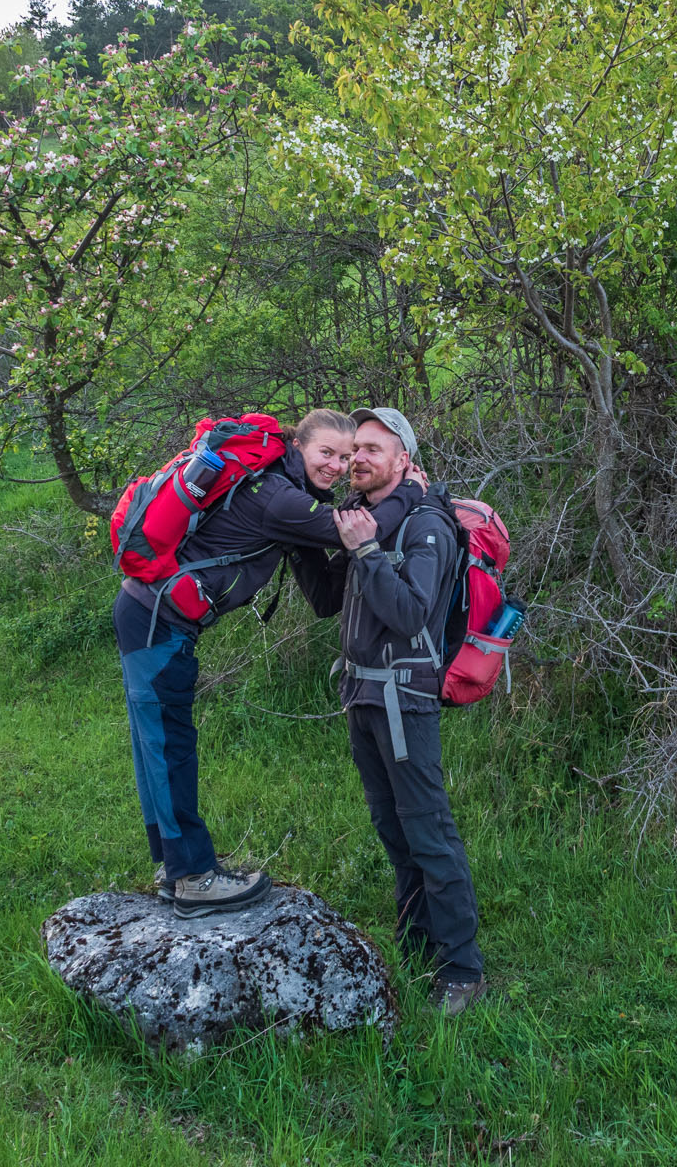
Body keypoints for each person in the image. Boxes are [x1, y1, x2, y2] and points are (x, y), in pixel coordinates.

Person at [112, 408, 418, 919]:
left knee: (157, 745)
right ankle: (192, 878)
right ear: (298, 446)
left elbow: (323, 593)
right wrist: (410, 492)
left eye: (346, 458)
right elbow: (355, 531)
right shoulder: (279, 497)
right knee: (168, 745)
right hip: (156, 618)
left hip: (148, 612)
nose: (339, 466)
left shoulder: (277, 488)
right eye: (328, 453)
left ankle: (175, 863)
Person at [290, 407, 488, 1015]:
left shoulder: (425, 526)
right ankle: (417, 942)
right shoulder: (368, 520)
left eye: (373, 448)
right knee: (393, 830)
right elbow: (327, 600)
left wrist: (369, 550)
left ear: (404, 460)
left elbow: (408, 614)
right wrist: (300, 540)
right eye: (354, 451)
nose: (358, 460)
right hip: (363, 696)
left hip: (404, 700)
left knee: (429, 832)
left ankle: (461, 968)